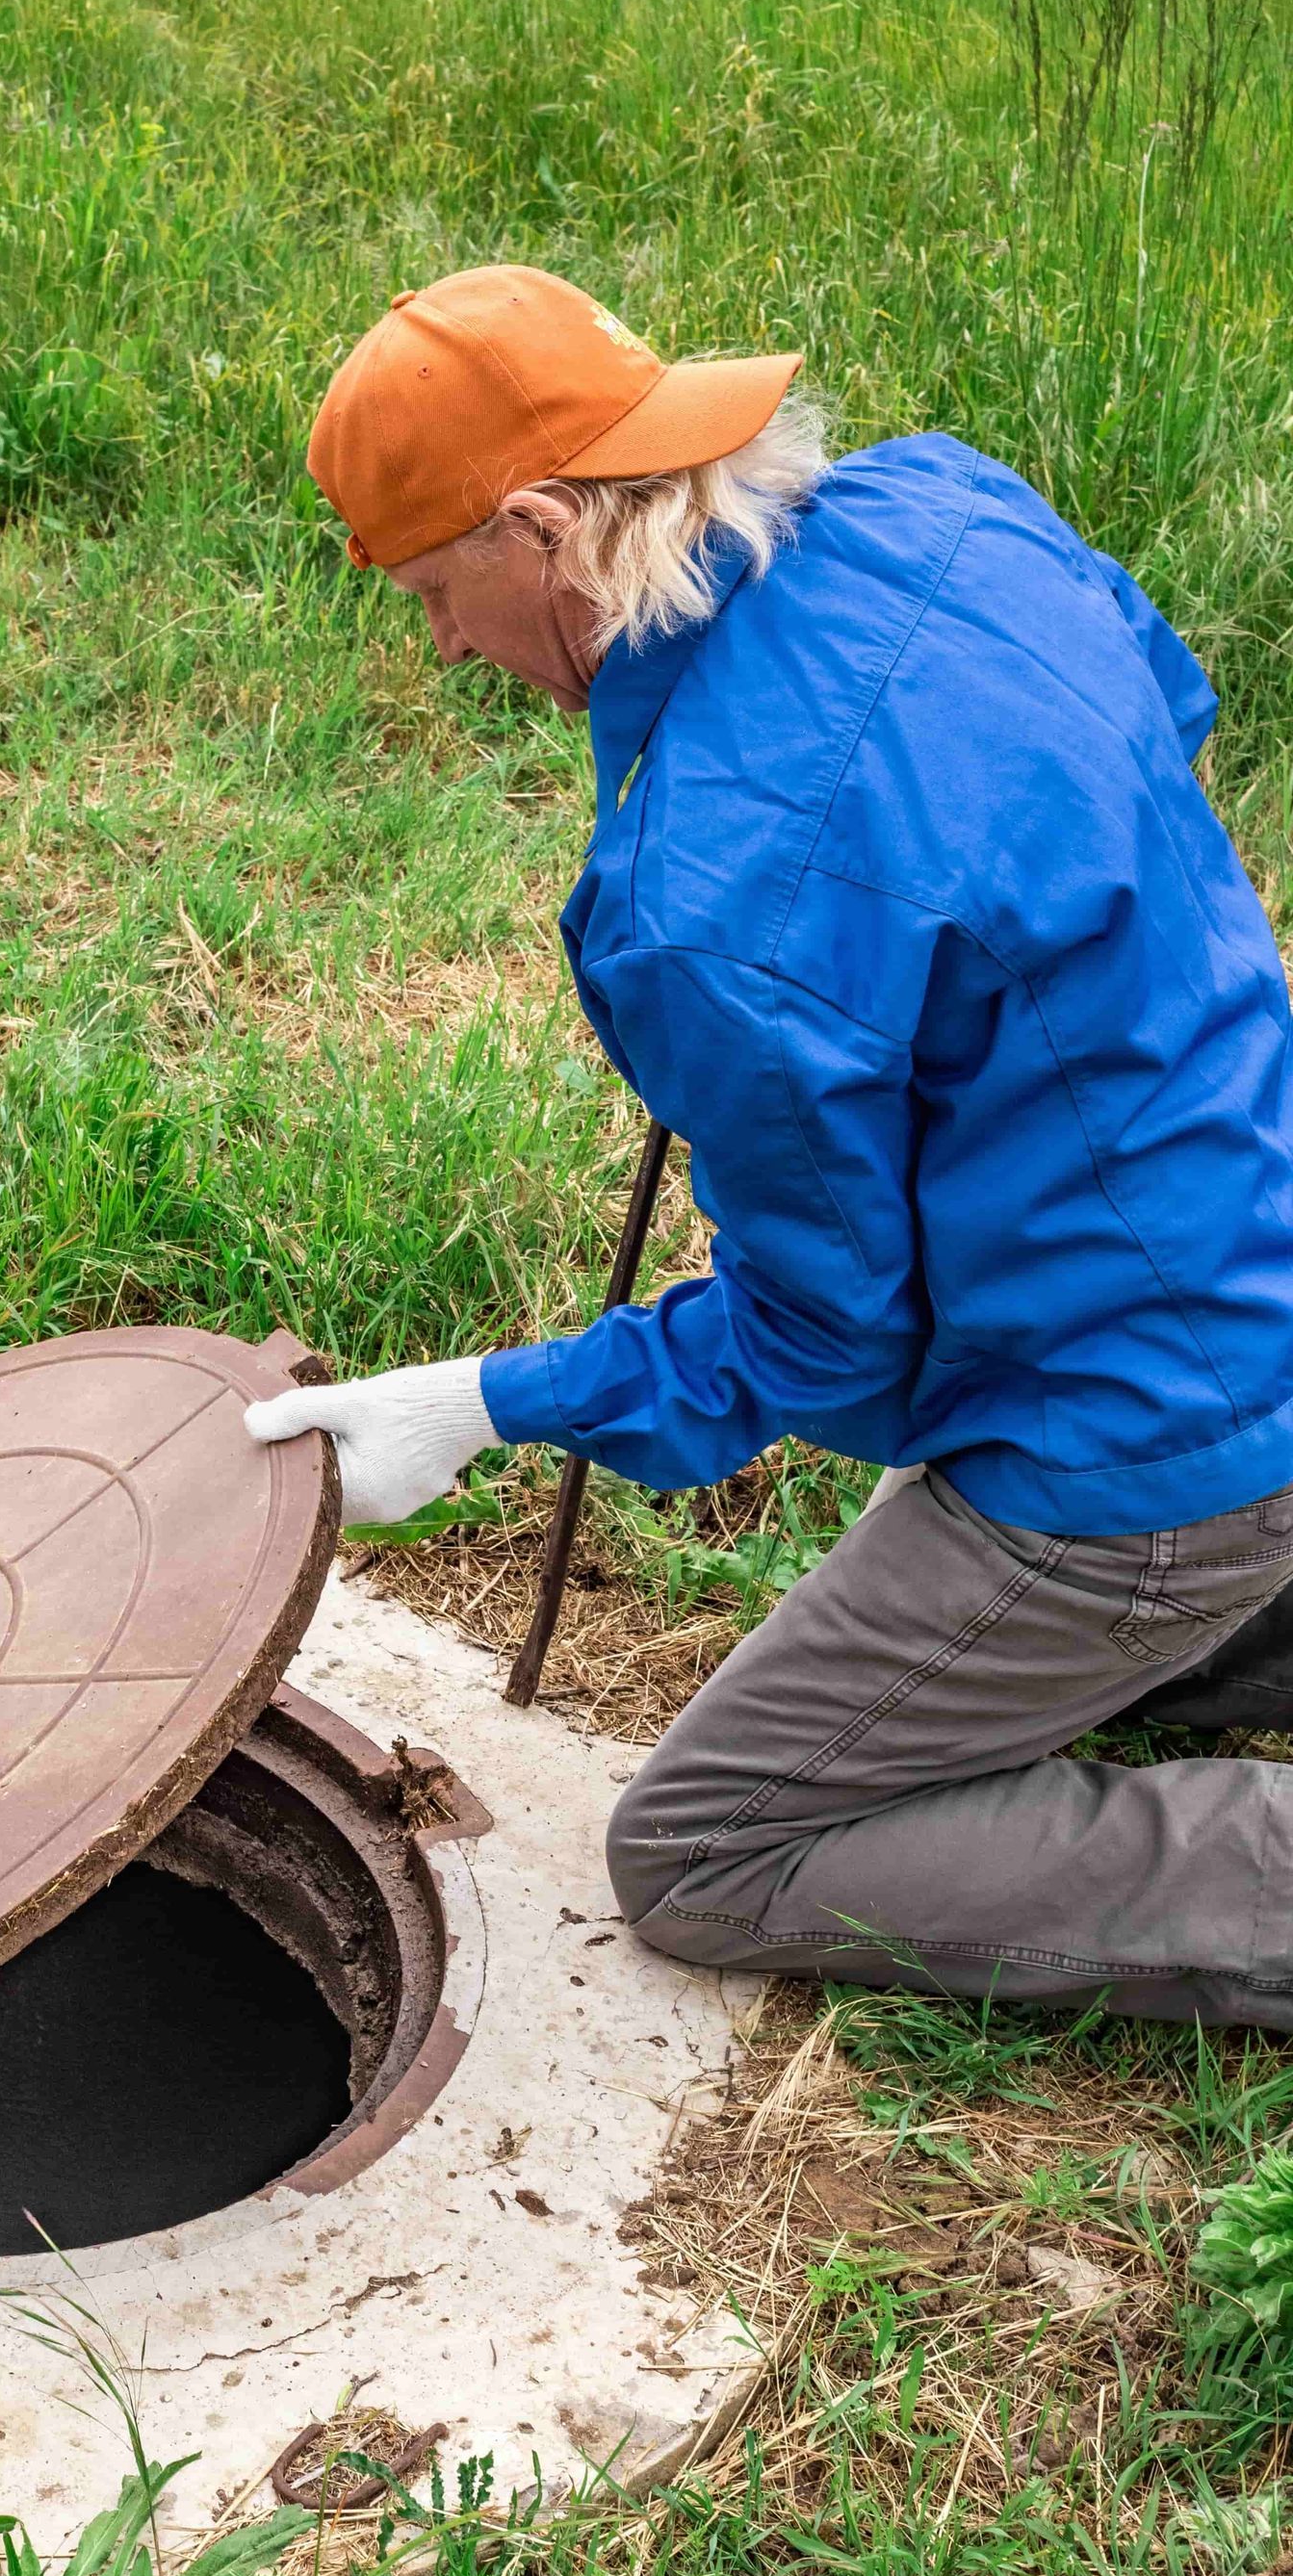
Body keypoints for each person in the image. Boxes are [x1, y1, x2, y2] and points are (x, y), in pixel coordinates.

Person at [246, 262, 1293, 2027]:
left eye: (435, 590)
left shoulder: (713, 905)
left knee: (707, 1852)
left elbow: (829, 1339)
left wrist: (483, 1403)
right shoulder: (944, 503)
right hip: (1253, 1228)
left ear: (542, 530)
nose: (437, 643)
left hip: (1144, 1437)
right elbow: (1163, 712)